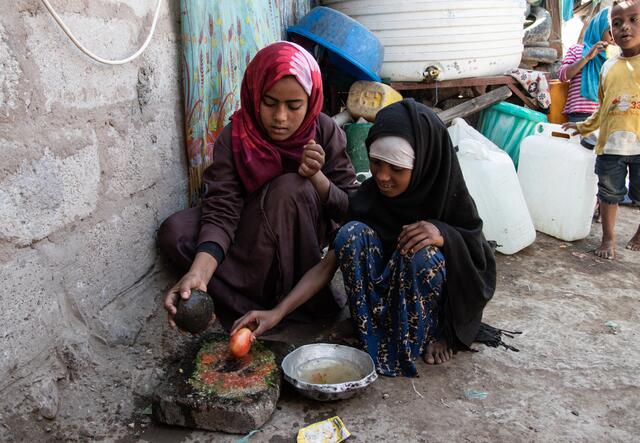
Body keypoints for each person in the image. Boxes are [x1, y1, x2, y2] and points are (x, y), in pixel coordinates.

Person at [232, 99, 499, 377]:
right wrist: (277, 312)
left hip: (432, 308)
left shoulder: (447, 197)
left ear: (422, 164)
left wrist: (444, 235)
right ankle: (373, 328)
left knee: (423, 252)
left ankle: (433, 332)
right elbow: (326, 266)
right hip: (385, 295)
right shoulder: (372, 198)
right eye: (376, 163)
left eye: (396, 169)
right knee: (350, 234)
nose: (383, 177)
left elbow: (478, 269)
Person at [158, 41, 358, 327]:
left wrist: (317, 177)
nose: (280, 117)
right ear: (254, 95)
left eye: (294, 106)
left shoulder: (325, 131)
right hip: (250, 229)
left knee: (291, 189)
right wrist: (198, 273)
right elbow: (222, 210)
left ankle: (293, 306)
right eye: (269, 102)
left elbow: (351, 209)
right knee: (175, 232)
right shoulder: (236, 136)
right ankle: (242, 307)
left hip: (300, 237)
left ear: (311, 100)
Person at [563, 0, 640, 259]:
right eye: (616, 24)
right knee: (608, 193)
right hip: (610, 144)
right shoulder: (608, 66)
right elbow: (603, 108)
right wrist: (582, 125)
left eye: (633, 20)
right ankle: (608, 238)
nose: (624, 28)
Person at [558, 8, 614, 123]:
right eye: (611, 32)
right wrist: (587, 57)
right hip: (579, 115)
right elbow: (562, 76)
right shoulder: (577, 50)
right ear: (599, 28)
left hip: (607, 116)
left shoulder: (617, 57)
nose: (614, 38)